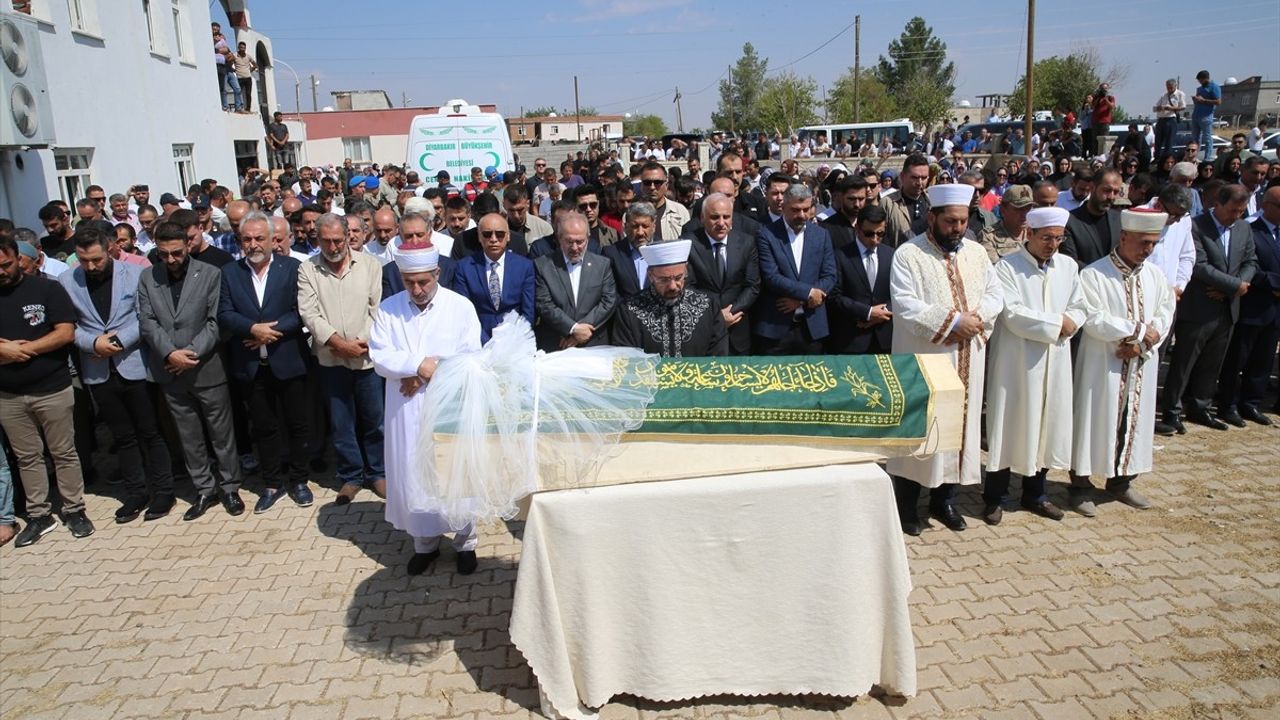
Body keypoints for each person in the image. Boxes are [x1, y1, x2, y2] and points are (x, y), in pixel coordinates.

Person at [887, 183, 1002, 535]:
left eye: (963, 221)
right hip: (926, 361)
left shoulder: (977, 253)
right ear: (932, 217)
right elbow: (905, 305)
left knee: (958, 429)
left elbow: (995, 293)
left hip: (969, 357)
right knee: (921, 432)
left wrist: (976, 319)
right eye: (950, 221)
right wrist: (953, 321)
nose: (957, 228)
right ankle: (906, 508)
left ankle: (944, 501)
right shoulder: (908, 254)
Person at [369, 237, 483, 576]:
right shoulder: (390, 308)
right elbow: (379, 355)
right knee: (412, 473)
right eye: (409, 282)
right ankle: (425, 544)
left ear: (437, 273)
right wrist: (418, 365)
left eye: (423, 281)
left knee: (453, 471)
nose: (416, 289)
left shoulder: (460, 306)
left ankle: (465, 541)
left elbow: (470, 355)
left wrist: (425, 373)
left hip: (448, 404)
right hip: (405, 409)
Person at [60, 228, 175, 523]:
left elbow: (145, 317)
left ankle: (163, 491)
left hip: (134, 364)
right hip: (98, 369)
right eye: (84, 261)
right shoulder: (67, 280)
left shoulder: (135, 274)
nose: (91, 266)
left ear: (109, 249)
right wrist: (93, 343)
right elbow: (69, 325)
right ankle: (135, 492)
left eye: (96, 259)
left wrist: (118, 341)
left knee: (151, 431)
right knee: (122, 435)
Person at [1070, 209, 1177, 515]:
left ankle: (1121, 482)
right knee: (1094, 420)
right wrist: (1138, 333)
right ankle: (1080, 487)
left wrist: (1143, 344)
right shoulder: (1094, 274)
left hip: (1140, 362)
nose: (1148, 249)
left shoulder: (1155, 275)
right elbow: (1093, 319)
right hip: (1104, 363)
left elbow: (1165, 313)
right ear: (1124, 237)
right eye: (1143, 242)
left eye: (1154, 244)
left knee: (1134, 420)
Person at [983, 207, 1085, 525]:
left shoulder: (1068, 267)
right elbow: (1012, 314)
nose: (1052, 244)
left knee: (1046, 425)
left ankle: (1036, 494)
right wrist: (1059, 323)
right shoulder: (1008, 268)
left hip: (1054, 362)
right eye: (1046, 238)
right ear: (1029, 234)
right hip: (1017, 364)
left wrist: (1073, 321)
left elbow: (1080, 305)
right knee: (1009, 426)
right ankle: (994, 498)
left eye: (1058, 238)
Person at [136, 222, 244, 521]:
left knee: (221, 433)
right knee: (188, 435)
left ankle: (230, 486)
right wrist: (170, 353)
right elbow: (147, 322)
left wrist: (190, 354)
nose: (170, 260)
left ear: (188, 246)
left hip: (206, 368)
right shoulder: (148, 277)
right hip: (170, 369)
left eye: (176, 253)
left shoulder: (210, 274)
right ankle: (204, 489)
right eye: (164, 254)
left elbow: (215, 321)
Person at [0, 235, 94, 547]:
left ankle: (74, 509)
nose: (1, 271)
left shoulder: (47, 289)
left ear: (19, 258)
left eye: (6, 264)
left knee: (63, 452)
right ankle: (39, 515)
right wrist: (7, 350)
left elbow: (65, 332)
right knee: (27, 457)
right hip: (8, 395)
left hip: (51, 388)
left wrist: (25, 351)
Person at [218, 212, 314, 514]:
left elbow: (301, 311)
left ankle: (300, 480)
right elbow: (224, 312)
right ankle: (272, 483)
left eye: (259, 238)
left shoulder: (293, 268)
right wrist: (251, 330)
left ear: (274, 239)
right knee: (264, 427)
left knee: (298, 423)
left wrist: (269, 331)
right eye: (247, 239)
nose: (253, 244)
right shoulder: (230, 272)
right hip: (250, 365)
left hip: (288, 359)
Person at [298, 213, 386, 504]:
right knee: (341, 421)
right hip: (330, 359)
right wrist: (337, 342)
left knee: (374, 420)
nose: (334, 246)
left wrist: (361, 343)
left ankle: (378, 473)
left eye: (339, 240)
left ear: (349, 237)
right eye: (327, 241)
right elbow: (309, 313)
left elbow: (378, 309)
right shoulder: (308, 269)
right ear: (318, 238)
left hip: (366, 357)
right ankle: (351, 476)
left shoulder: (370, 265)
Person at [1161, 184, 1257, 432]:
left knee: (1212, 363)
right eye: (1233, 210)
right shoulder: (1195, 225)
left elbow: (1250, 260)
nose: (1237, 215)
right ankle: (1172, 410)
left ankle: (1200, 407)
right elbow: (1199, 265)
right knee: (1184, 363)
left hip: (1227, 308)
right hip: (1199, 307)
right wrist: (1234, 286)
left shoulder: (1244, 228)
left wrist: (1233, 289)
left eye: (1241, 211)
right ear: (1219, 204)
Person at [1214, 186, 1280, 426]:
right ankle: (1228, 403)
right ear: (1267, 206)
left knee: (1263, 360)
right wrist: (1274, 283)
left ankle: (1251, 402)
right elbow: (1250, 266)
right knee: (1237, 360)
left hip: (1275, 311)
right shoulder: (1251, 230)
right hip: (1253, 305)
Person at [753, 184, 837, 355]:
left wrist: (802, 300)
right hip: (776, 329)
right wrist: (808, 293)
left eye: (806, 210)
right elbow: (771, 277)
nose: (801, 215)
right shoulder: (766, 234)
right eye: (795, 210)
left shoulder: (821, 235)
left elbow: (830, 275)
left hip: (812, 327)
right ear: (783, 207)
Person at [612, 239, 727, 357]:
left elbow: (718, 356)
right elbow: (625, 359)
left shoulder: (707, 306)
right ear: (650, 275)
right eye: (664, 280)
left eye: (678, 278)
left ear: (686, 270)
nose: (672, 286)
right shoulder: (629, 311)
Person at [683, 193, 761, 356]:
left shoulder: (746, 242)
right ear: (702, 218)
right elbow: (688, 286)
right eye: (714, 217)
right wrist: (716, 316)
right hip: (703, 329)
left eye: (726, 217)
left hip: (737, 328)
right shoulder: (688, 244)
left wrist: (731, 313)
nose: (721, 223)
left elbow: (752, 285)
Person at [533, 213, 617, 352]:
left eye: (580, 241)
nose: (574, 247)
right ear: (559, 239)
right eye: (569, 241)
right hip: (557, 344)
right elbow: (544, 304)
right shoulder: (543, 265)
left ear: (588, 239)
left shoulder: (602, 265)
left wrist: (581, 332)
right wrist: (573, 328)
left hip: (593, 343)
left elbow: (608, 301)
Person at [451, 212, 536, 344]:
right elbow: (463, 311)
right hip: (477, 341)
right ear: (479, 237)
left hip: (515, 341)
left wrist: (515, 338)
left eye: (500, 234)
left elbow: (528, 311)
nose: (493, 239)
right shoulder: (464, 267)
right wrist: (485, 342)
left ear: (508, 237)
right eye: (487, 234)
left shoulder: (525, 266)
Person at [827, 204, 894, 354]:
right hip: (852, 339)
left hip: (885, 339)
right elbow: (834, 296)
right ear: (857, 228)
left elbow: (900, 293)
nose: (875, 240)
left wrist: (882, 313)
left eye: (880, 233)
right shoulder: (840, 256)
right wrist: (867, 312)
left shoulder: (891, 255)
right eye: (869, 234)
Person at [1062, 170, 1123, 268]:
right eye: (1107, 190)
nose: (1111, 197)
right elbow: (1070, 260)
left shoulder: (1120, 219)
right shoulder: (1070, 221)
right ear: (1092, 188)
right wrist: (1097, 276)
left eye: (1116, 192)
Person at [602, 202, 658, 300]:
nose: (640, 232)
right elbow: (609, 294)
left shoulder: (663, 252)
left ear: (653, 227)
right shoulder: (612, 254)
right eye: (635, 226)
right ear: (626, 227)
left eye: (645, 226)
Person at [978, 185, 1034, 264]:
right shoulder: (989, 237)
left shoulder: (1036, 234)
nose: (1025, 214)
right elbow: (996, 270)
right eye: (1019, 209)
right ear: (1003, 209)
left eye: (1028, 208)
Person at [884, 154, 932, 246]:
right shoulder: (888, 203)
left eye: (924, 178)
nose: (919, 183)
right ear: (902, 176)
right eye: (914, 177)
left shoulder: (933, 202)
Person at [637, 162, 690, 241]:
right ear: (641, 185)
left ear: (666, 185)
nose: (652, 187)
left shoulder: (680, 212)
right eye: (647, 183)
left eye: (657, 182)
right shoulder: (631, 215)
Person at [1191, 71, 1221, 163]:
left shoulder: (1214, 87)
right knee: (1195, 138)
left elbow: (1218, 101)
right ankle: (1194, 156)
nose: (1199, 82)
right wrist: (1196, 100)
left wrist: (1204, 100)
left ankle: (1207, 157)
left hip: (1206, 116)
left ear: (1205, 78)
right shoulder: (1200, 89)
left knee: (1207, 138)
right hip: (1196, 115)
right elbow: (1198, 101)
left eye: (1200, 80)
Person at [1153, 79, 1187, 159]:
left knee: (1169, 142)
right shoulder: (1163, 95)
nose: (1169, 89)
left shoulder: (1180, 94)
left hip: (1171, 119)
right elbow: (1154, 108)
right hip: (1161, 119)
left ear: (1175, 86)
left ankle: (1166, 159)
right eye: (1168, 87)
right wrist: (1160, 108)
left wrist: (1171, 108)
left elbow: (1183, 107)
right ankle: (1157, 158)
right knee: (1158, 141)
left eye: (1171, 87)